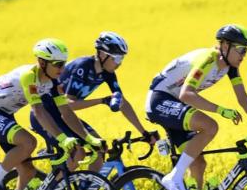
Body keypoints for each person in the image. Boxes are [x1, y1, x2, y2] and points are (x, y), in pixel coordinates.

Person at [146, 24, 247, 190]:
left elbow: (243, 97)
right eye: (241, 50)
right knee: (210, 126)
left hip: (175, 103)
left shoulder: (230, 67)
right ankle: (174, 177)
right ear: (225, 46)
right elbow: (186, 94)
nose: (243, 56)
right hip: (159, 100)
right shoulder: (209, 58)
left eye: (246, 51)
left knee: (198, 164)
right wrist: (220, 110)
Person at [0, 39, 89, 190]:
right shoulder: (29, 76)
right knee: (29, 142)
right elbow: (38, 111)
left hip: (5, 114)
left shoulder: (52, 82)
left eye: (64, 63)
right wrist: (62, 139)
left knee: (27, 171)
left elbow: (65, 111)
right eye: (58, 64)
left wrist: (89, 139)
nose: (62, 69)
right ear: (42, 62)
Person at [29, 32, 154, 171]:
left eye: (122, 58)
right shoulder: (83, 67)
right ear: (102, 54)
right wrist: (101, 100)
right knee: (78, 152)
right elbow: (69, 103)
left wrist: (144, 132)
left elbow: (122, 102)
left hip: (64, 115)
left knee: (99, 148)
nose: (119, 63)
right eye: (116, 58)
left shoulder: (108, 74)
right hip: (46, 114)